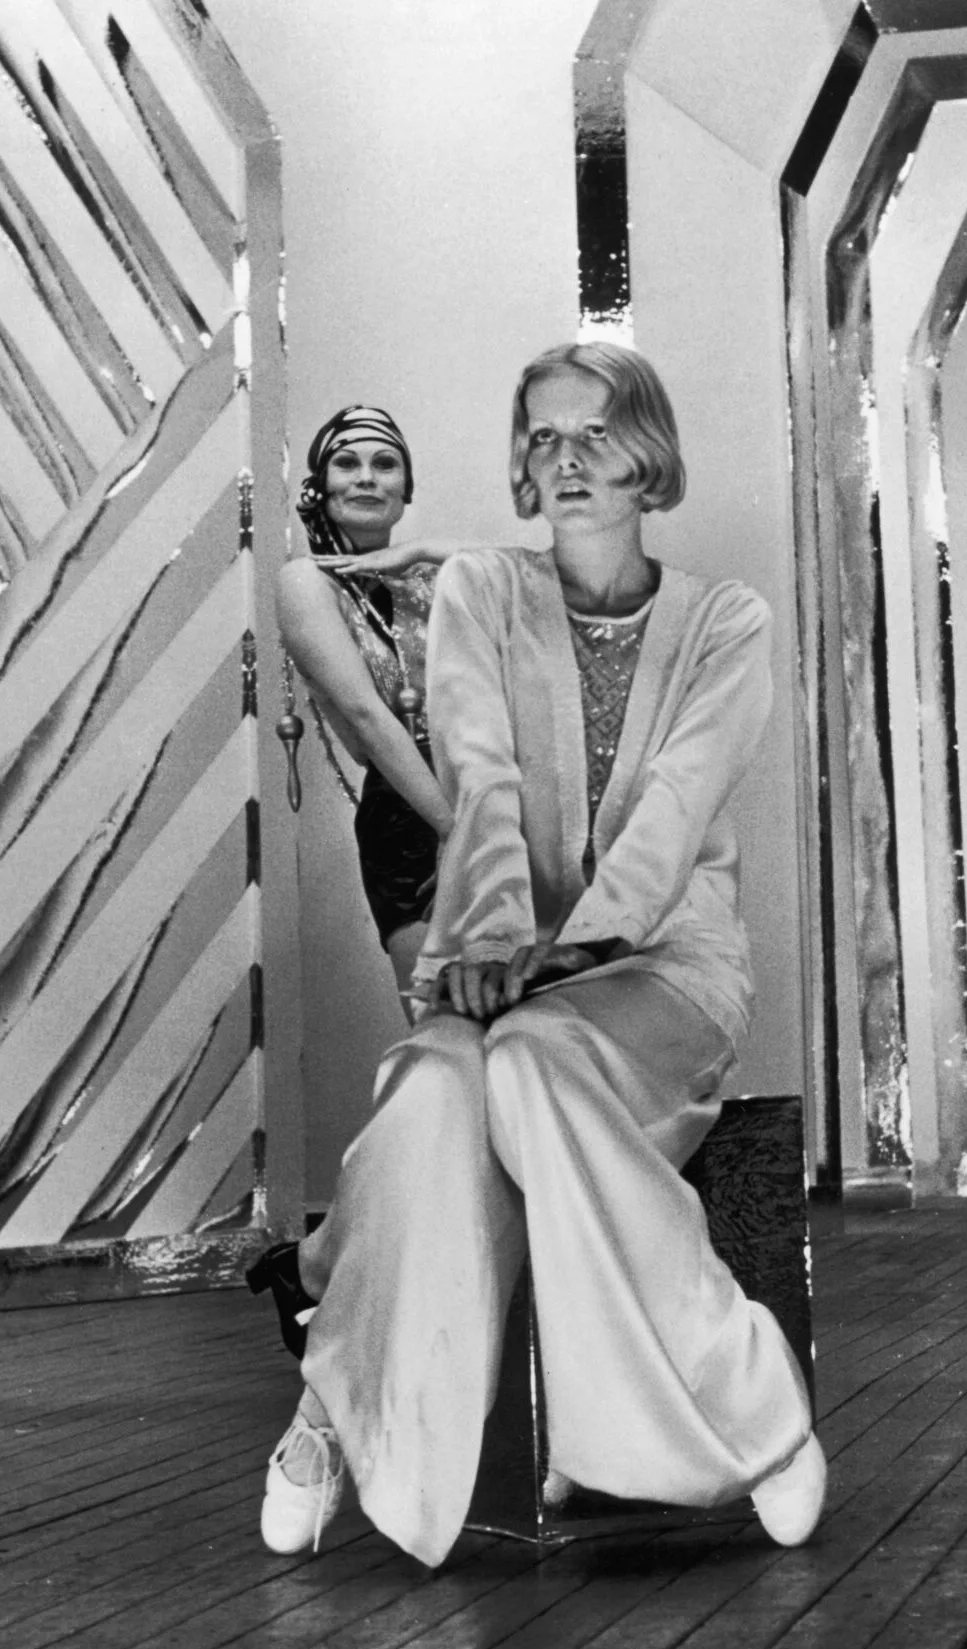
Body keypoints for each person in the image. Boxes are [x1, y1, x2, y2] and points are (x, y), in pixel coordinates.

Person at [257, 343, 822, 1564]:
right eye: (542, 437)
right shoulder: (479, 592)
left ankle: (744, 1411)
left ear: (649, 457)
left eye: (595, 435)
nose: (565, 461)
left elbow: (676, 809)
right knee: (438, 1084)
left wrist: (561, 955)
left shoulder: (728, 620)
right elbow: (478, 774)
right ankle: (334, 1406)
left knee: (531, 1064)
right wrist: (497, 938)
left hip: (662, 964)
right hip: (509, 956)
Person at [274, 406, 457, 988]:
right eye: (347, 462)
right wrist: (458, 829)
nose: (367, 477)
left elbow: (549, 584)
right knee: (448, 1030)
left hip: (489, 796)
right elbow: (365, 718)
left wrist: (425, 549)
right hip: (414, 812)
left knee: (523, 1039)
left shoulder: (431, 579)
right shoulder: (307, 581)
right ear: (320, 487)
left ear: (406, 489)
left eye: (385, 464)